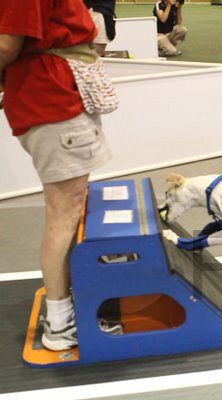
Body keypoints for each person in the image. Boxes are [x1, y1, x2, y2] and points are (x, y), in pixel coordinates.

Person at [0, 0, 112, 351]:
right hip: (51, 99)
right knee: (64, 214)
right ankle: (61, 323)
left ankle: (68, 305)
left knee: (71, 210)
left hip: (55, 94)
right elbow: (6, 45)